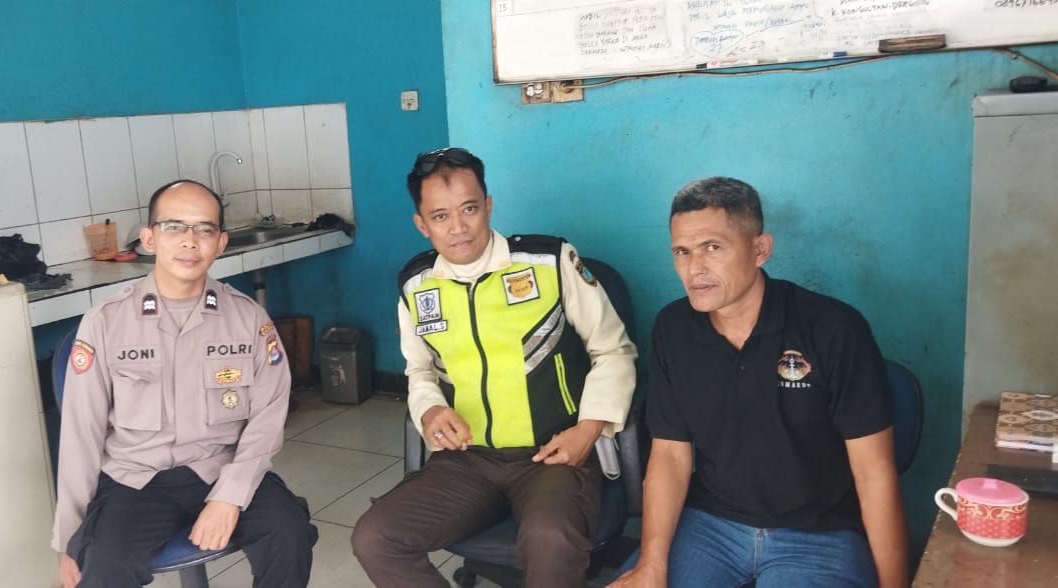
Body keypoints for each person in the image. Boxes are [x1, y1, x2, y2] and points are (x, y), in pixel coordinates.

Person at [351, 147, 638, 587]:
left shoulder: (550, 262)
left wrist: (588, 430)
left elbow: (613, 350)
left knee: (548, 537)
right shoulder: (416, 286)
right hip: (468, 460)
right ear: (422, 224)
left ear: (487, 206)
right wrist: (429, 410)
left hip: (553, 452)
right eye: (441, 216)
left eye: (469, 209)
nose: (458, 227)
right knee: (375, 537)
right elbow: (419, 370)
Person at [611, 177, 907, 588]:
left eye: (713, 248)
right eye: (682, 252)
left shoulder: (833, 328)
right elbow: (670, 456)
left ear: (760, 249)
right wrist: (652, 564)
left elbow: (874, 473)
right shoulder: (674, 328)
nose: (695, 269)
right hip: (709, 527)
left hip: (818, 534)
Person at [52, 179, 317, 588]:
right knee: (104, 566)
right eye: (174, 227)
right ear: (149, 238)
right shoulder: (105, 322)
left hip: (220, 466)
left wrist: (229, 496)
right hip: (135, 479)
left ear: (221, 243)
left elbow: (268, 417)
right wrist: (69, 541)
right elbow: (80, 435)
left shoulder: (247, 318)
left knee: (289, 532)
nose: (190, 241)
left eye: (204, 229)